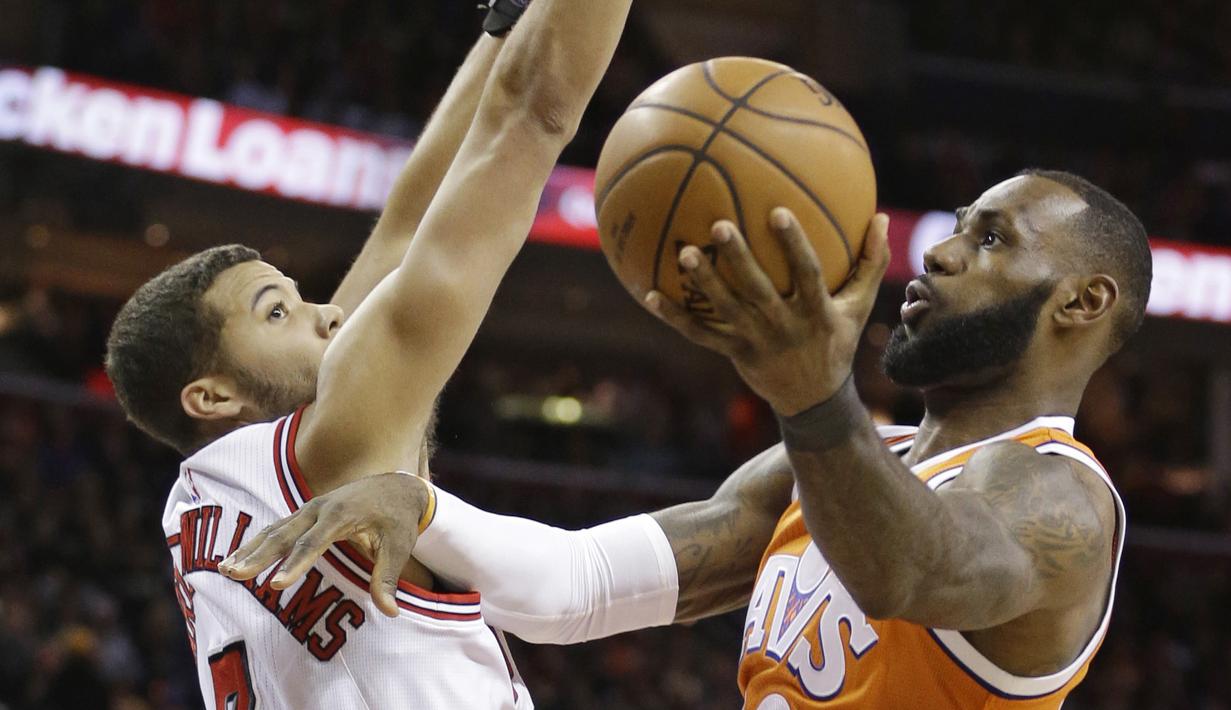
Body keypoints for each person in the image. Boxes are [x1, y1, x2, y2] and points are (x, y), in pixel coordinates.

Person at [224, 170, 1149, 708]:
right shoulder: (825, 466)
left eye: (990, 240)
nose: (939, 254)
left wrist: (812, 396)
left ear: (1082, 300)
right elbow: (575, 588)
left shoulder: (1058, 497)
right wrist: (420, 507)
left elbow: (911, 571)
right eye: (954, 230)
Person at [103, 0, 641, 704]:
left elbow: (401, 228)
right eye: (277, 311)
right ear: (211, 396)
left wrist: (504, 26)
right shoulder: (333, 441)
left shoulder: (198, 503)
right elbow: (531, 117)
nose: (326, 313)